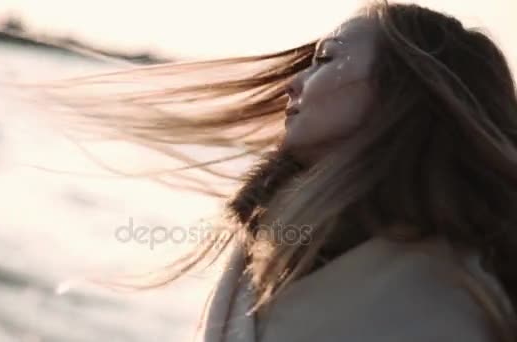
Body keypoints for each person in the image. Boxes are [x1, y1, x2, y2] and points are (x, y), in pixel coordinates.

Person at [44, 1, 517, 341]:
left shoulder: (446, 298)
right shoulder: (269, 246)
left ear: (404, 93)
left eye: (326, 59)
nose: (294, 82)